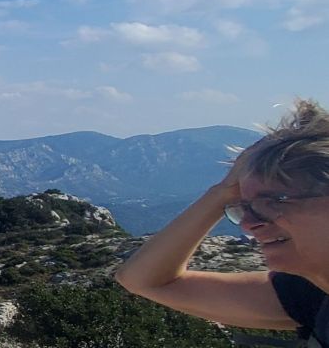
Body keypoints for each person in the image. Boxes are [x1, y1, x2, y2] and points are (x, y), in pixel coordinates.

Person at [117, 98, 329, 344]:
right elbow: (145, 281)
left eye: (273, 202)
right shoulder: (312, 295)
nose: (249, 224)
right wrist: (224, 192)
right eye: (245, 207)